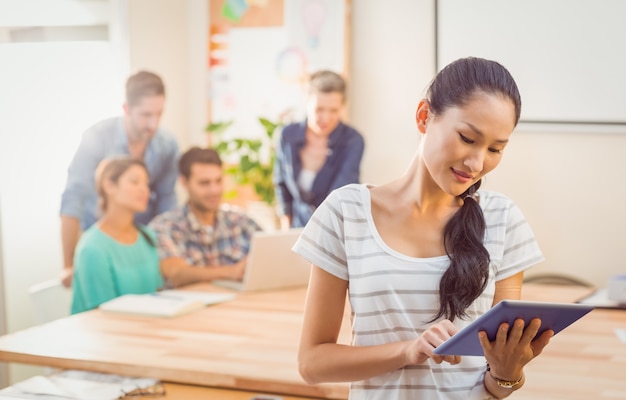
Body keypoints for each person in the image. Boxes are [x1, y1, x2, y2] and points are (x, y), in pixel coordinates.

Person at [293, 57, 551, 399]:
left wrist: (507, 372)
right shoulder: (347, 212)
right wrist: (407, 350)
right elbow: (313, 364)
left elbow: (497, 385)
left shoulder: (503, 220)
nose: (476, 164)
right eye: (467, 138)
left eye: (495, 149)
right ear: (424, 117)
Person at [59, 70, 179, 288]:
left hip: (141, 245)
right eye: (145, 115)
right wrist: (69, 264)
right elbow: (73, 199)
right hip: (101, 240)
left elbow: (167, 208)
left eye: (159, 114)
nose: (153, 124)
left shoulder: (167, 145)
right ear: (126, 109)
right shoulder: (97, 138)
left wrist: (168, 256)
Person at [149, 147, 261, 288]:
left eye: (218, 181)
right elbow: (177, 273)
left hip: (241, 305)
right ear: (184, 182)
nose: (214, 190)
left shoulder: (242, 222)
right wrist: (230, 272)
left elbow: (271, 253)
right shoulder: (165, 226)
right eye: (204, 183)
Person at [273, 70, 365, 228]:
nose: (326, 118)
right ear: (306, 102)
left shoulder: (353, 141)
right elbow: (281, 184)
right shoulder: (287, 136)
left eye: (334, 111)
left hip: (334, 229)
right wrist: (286, 228)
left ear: (342, 107)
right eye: (319, 109)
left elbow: (340, 195)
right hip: (297, 228)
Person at [71, 157, 164, 314]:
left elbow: (157, 295)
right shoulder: (92, 248)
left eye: (146, 183)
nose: (144, 190)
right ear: (109, 186)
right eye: (134, 182)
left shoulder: (146, 236)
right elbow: (102, 314)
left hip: (147, 327)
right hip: (105, 333)